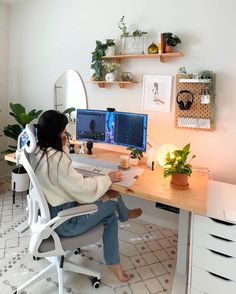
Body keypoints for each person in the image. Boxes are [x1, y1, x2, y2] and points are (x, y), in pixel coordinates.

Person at [31, 110, 142, 282]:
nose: (64, 134)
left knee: (109, 207)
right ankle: (123, 221)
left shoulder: (38, 152)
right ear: (56, 133)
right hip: (66, 222)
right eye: (63, 131)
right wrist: (107, 178)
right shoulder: (58, 159)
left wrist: (64, 147)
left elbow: (65, 175)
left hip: (49, 216)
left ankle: (116, 252)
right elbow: (82, 189)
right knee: (112, 200)